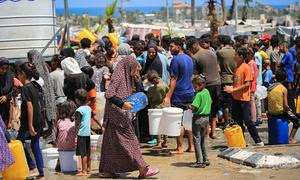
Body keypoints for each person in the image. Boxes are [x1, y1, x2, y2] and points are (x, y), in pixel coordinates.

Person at [99, 55, 159, 178]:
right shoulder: (118, 76)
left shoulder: (127, 77)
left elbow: (139, 88)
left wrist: (137, 79)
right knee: (131, 140)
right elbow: (109, 94)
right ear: (128, 66)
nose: (135, 71)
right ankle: (143, 169)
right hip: (118, 115)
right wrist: (123, 104)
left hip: (116, 115)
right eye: (134, 68)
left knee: (110, 144)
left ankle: (106, 170)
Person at [224, 47, 264, 146]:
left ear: (241, 56)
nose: (234, 56)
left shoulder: (246, 67)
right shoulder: (236, 67)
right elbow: (236, 83)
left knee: (247, 120)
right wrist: (231, 87)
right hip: (236, 99)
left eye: (236, 55)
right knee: (238, 122)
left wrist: (233, 89)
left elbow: (247, 85)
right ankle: (241, 142)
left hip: (244, 100)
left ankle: (258, 140)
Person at [163, 37, 195, 154]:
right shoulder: (189, 59)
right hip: (190, 93)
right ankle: (191, 147)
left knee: (179, 122)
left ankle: (180, 147)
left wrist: (168, 96)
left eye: (172, 46)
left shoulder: (175, 60)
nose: (170, 49)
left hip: (179, 95)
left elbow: (173, 79)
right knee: (188, 121)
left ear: (178, 47)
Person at [188, 38, 221, 139]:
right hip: (217, 83)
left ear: (194, 46)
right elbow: (218, 68)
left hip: (206, 85)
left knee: (206, 108)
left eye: (190, 48)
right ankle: (214, 132)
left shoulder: (196, 57)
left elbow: (195, 75)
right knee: (214, 109)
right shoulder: (211, 52)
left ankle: (206, 133)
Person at [16, 62, 45, 178]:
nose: (18, 77)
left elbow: (29, 106)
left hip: (30, 122)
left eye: (18, 74)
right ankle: (40, 172)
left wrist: (29, 125)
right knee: (35, 145)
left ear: (23, 74)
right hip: (38, 120)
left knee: (18, 143)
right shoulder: (34, 85)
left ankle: (32, 167)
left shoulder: (26, 88)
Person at [267, 70, 300, 144]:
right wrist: (290, 110)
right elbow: (285, 105)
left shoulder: (270, 87)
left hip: (270, 113)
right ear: (285, 79)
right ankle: (291, 138)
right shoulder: (283, 89)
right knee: (297, 121)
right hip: (279, 113)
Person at [188, 74, 211, 168]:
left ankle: (199, 161)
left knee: (196, 140)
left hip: (198, 119)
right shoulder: (207, 92)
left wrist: (189, 106)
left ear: (201, 85)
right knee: (202, 140)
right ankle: (206, 159)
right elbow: (210, 102)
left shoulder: (198, 95)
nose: (194, 88)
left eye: (195, 86)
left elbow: (194, 106)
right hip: (206, 118)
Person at [216, 36, 237, 125]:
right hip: (235, 79)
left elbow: (218, 68)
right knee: (234, 102)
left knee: (225, 103)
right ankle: (234, 121)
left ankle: (227, 122)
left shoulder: (220, 52)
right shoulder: (235, 52)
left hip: (225, 79)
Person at [147, 70, 169, 148]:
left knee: (157, 125)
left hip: (155, 108)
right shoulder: (164, 85)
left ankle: (159, 142)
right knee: (165, 124)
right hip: (165, 107)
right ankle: (165, 141)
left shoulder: (150, 90)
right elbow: (167, 93)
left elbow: (148, 99)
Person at [74, 89, 92, 176]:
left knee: (83, 154)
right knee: (88, 152)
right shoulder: (89, 108)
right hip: (88, 133)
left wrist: (74, 134)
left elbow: (77, 124)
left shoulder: (79, 110)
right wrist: (100, 125)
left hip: (81, 134)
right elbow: (92, 118)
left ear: (77, 100)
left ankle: (83, 171)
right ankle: (88, 168)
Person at [54, 100, 77, 171]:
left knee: (62, 142)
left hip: (61, 147)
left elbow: (56, 134)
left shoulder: (59, 121)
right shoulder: (74, 122)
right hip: (72, 147)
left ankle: (60, 161)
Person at [245, 49, 259, 125]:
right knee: (252, 102)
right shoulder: (253, 62)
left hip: (251, 85)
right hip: (253, 84)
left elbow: (251, 75)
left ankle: (253, 119)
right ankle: (253, 119)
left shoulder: (250, 63)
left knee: (251, 102)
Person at [0, 57, 14, 125]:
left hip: (5, 108)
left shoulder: (10, 76)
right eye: (2, 68)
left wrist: (6, 97)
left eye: (6, 68)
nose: (4, 71)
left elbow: (14, 91)